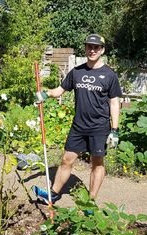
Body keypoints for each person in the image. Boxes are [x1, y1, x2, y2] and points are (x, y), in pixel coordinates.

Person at [32, 34, 122, 204]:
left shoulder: (110, 75)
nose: (92, 50)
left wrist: (115, 130)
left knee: (97, 163)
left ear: (102, 50)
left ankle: (91, 200)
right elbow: (59, 90)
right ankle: (54, 194)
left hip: (99, 127)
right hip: (79, 126)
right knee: (67, 159)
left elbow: (114, 103)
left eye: (96, 47)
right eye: (89, 47)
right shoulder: (77, 72)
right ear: (86, 48)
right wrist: (45, 94)